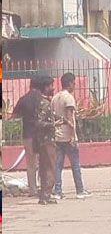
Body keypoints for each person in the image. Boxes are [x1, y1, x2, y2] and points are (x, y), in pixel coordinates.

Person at [51, 73, 90, 200]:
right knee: (75, 164)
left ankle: (57, 190)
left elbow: (54, 117)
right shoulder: (69, 98)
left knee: (57, 165)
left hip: (57, 135)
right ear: (69, 83)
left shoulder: (55, 98)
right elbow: (70, 119)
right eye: (74, 83)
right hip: (68, 136)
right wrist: (73, 136)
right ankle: (79, 190)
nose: (75, 85)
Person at [12, 76, 44, 196]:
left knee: (31, 164)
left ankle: (33, 190)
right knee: (43, 162)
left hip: (28, 135)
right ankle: (44, 187)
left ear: (30, 85)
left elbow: (14, 115)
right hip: (41, 134)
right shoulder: (42, 99)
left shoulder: (23, 99)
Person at [32, 76, 60, 204]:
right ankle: (46, 194)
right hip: (47, 140)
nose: (53, 88)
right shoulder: (45, 103)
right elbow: (38, 122)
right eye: (51, 86)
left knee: (44, 168)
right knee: (50, 168)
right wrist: (53, 124)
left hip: (42, 140)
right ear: (45, 87)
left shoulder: (42, 102)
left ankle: (44, 195)